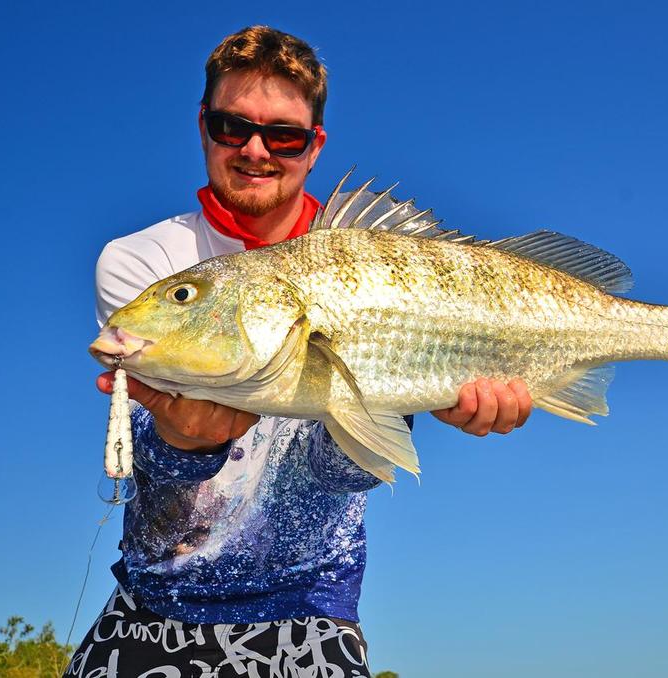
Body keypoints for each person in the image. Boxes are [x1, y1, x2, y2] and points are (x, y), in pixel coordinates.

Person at [65, 25, 532, 677]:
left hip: (313, 612)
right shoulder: (143, 261)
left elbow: (345, 472)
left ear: (314, 146)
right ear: (203, 126)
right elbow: (148, 451)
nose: (257, 150)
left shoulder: (350, 256)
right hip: (156, 608)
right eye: (233, 126)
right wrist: (182, 443)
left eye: (283, 135)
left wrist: (415, 399)